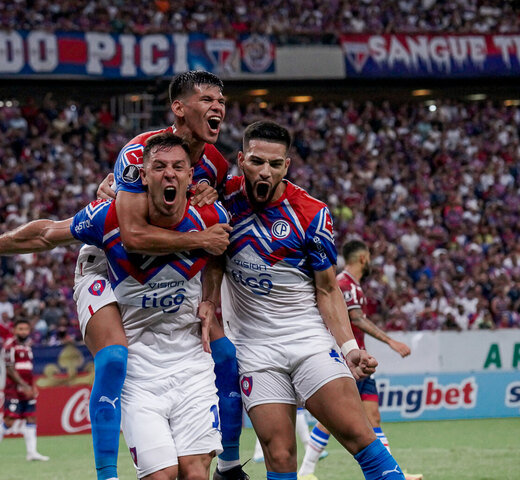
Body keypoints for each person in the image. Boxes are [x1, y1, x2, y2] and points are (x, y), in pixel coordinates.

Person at [0, 133, 229, 480]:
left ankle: (231, 465)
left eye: (178, 167)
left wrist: (209, 299)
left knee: (195, 474)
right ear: (143, 176)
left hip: (189, 363)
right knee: (161, 475)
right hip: (141, 368)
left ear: (192, 176)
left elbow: (224, 254)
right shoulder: (110, 217)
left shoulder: (211, 215)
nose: (169, 174)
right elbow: (46, 234)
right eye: (159, 167)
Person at [203, 121, 406, 480]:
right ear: (240, 160)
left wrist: (348, 347)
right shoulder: (221, 199)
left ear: (287, 166)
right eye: (256, 161)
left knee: (360, 437)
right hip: (254, 350)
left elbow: (327, 289)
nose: (265, 171)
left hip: (308, 340)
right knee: (279, 458)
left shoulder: (311, 212)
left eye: (275, 164)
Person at [96, 70, 245, 480]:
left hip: (177, 277)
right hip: (117, 267)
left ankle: (229, 465)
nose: (218, 107)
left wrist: (210, 300)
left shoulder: (214, 163)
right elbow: (130, 236)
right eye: (208, 99)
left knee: (227, 355)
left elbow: (218, 243)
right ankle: (105, 470)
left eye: (221, 100)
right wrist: (199, 236)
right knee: (112, 358)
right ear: (178, 108)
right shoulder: (139, 152)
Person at [298, 239, 422, 480]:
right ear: (363, 258)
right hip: (348, 362)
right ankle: (305, 471)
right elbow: (356, 318)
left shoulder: (345, 284)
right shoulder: (347, 285)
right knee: (333, 419)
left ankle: (392, 471)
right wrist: (391, 342)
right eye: (369, 257)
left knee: (373, 417)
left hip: (360, 363)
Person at [0, 318, 49, 463]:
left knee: (31, 418)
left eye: (26, 329)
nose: (24, 332)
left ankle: (32, 452)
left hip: (27, 388)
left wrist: (32, 386)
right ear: (15, 330)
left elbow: (28, 369)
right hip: (13, 389)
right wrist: (24, 386)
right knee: (10, 420)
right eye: (21, 329)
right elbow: (10, 368)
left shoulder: (27, 347)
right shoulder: (9, 346)